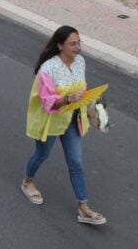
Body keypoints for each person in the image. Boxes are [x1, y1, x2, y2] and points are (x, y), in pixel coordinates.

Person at [22, 26, 107, 226]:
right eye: (72, 43)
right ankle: (27, 181)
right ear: (60, 45)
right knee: (42, 154)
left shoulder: (81, 62)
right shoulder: (48, 69)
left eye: (79, 43)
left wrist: (95, 109)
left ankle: (83, 207)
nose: (78, 47)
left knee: (76, 162)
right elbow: (48, 101)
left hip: (72, 120)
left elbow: (83, 91)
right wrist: (67, 98)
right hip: (51, 120)